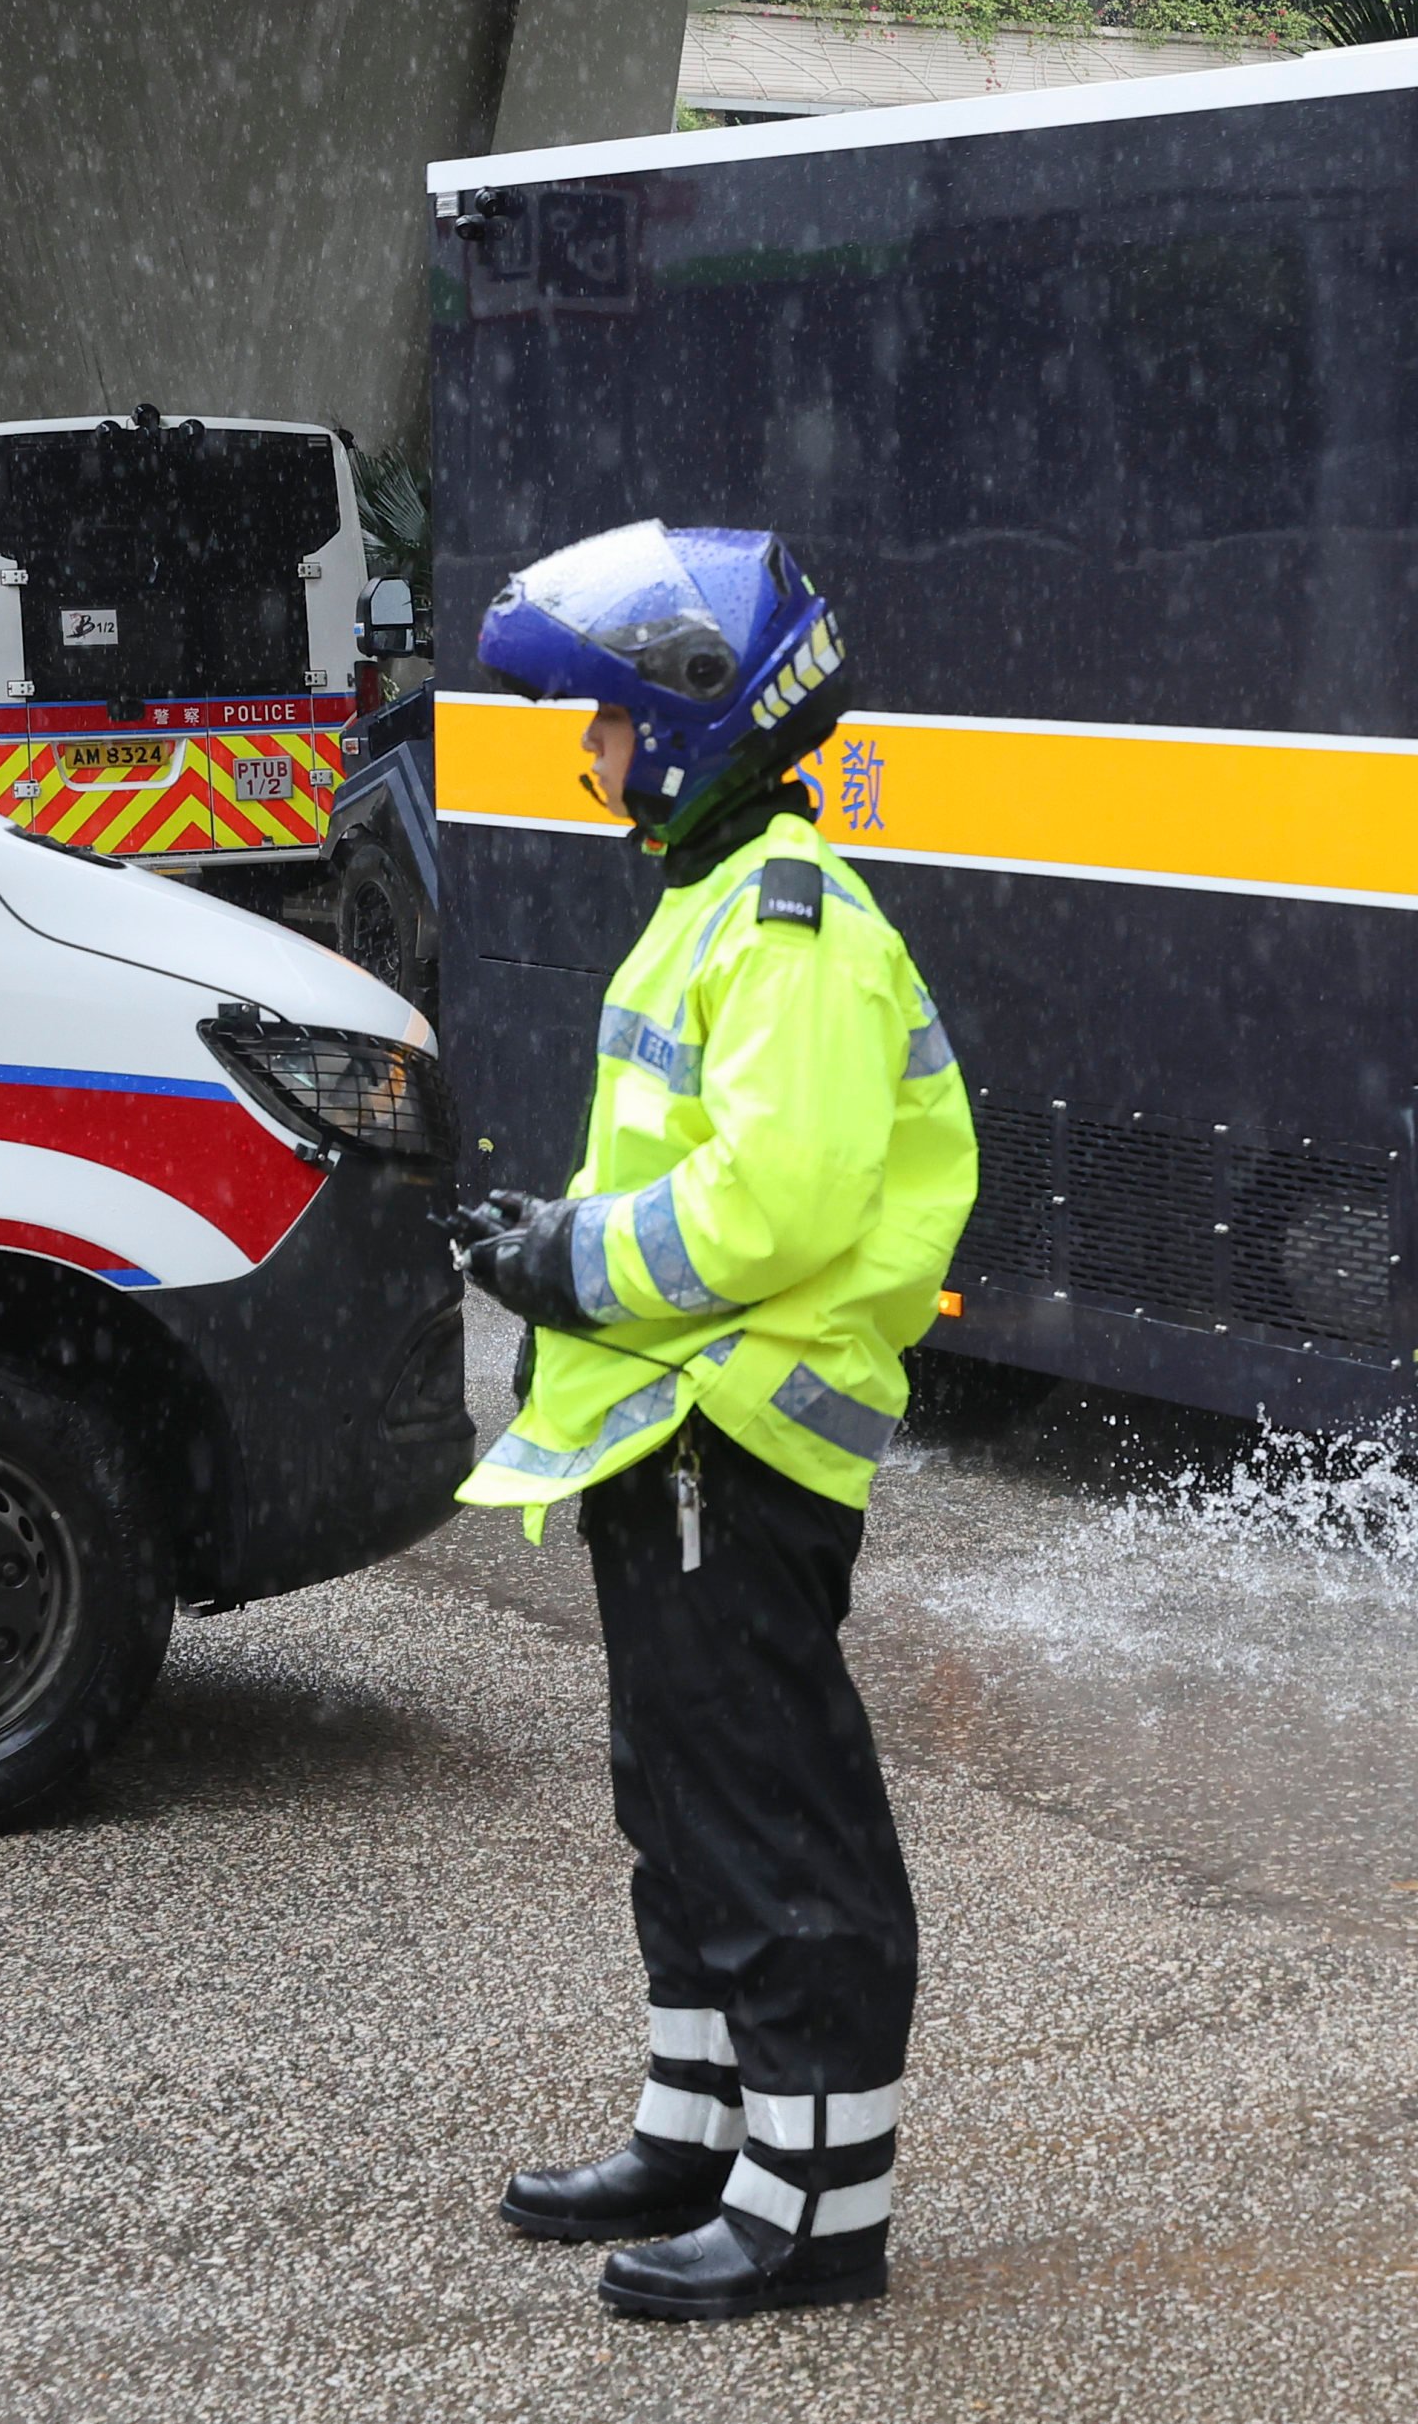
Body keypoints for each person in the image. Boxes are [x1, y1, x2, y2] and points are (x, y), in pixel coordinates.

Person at [449, 521, 977, 2320]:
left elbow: (772, 1210)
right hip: (674, 1438)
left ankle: (818, 2204)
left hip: (735, 1441)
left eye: (600, 721)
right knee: (676, 1794)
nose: (587, 750)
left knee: (769, 1814)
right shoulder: (712, 905)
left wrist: (569, 1259)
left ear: (685, 722)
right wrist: (555, 1261)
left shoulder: (789, 922)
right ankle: (705, 2125)